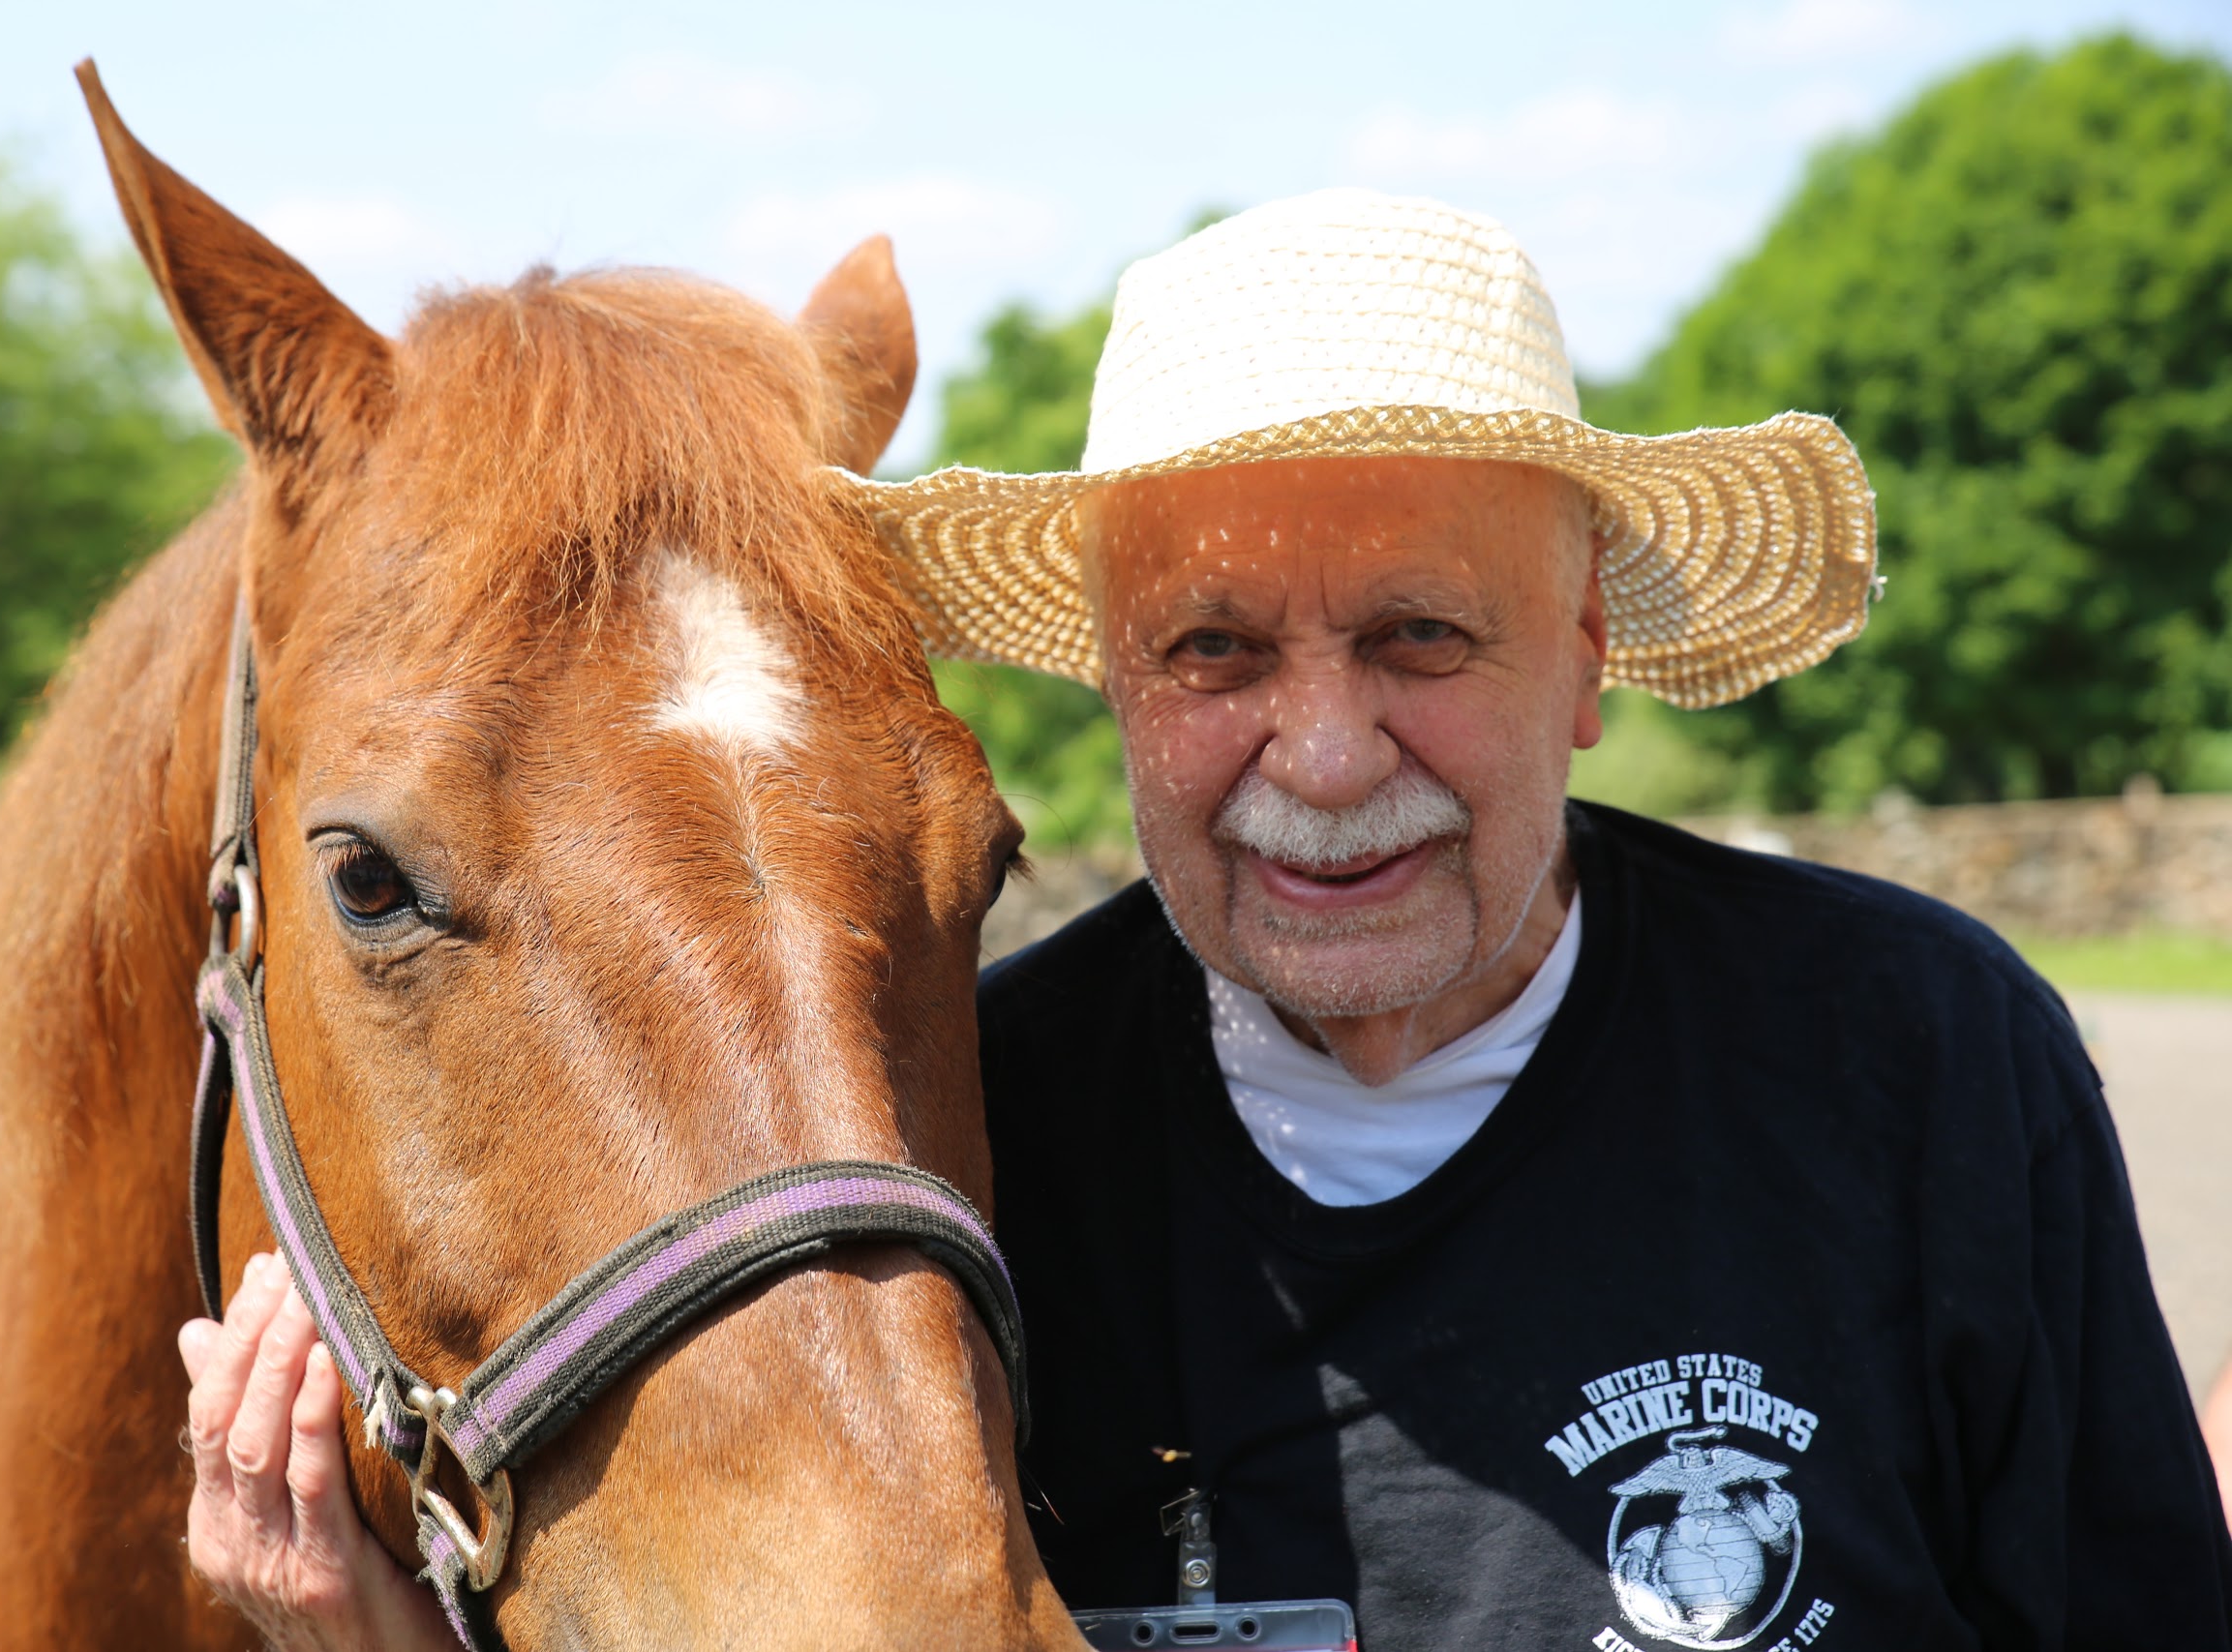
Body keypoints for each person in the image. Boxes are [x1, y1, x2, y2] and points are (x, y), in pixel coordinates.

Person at [181, 191, 2232, 1649]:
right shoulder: (944, 1136)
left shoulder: (1916, 1062)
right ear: (1110, 683)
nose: (1322, 757)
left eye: (1422, 632)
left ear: (1588, 654)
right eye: (1213, 647)